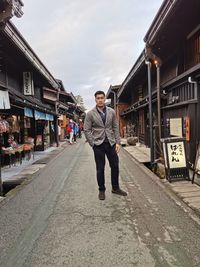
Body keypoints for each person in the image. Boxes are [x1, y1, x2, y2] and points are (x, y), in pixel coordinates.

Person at [84, 90, 127, 200]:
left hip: (111, 143)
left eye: (102, 98)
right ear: (95, 100)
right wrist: (92, 143)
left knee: (115, 166)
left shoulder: (111, 111)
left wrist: (118, 142)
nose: (100, 100)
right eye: (98, 98)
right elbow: (87, 130)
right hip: (98, 144)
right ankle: (101, 190)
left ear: (104, 99)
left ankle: (115, 188)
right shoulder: (90, 114)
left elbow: (115, 127)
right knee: (100, 168)